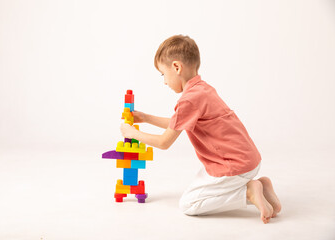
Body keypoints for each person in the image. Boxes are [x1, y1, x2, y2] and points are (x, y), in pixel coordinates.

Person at [120, 35, 281, 224]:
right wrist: (146, 118)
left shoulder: (188, 100)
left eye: (163, 74)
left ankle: (248, 192)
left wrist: (132, 134)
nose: (164, 81)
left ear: (176, 67)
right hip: (247, 159)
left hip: (235, 165)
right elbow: (177, 123)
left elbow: (165, 142)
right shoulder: (203, 90)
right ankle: (262, 185)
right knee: (200, 183)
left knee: (189, 204)